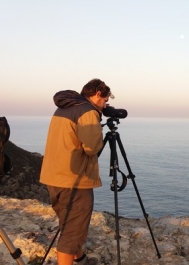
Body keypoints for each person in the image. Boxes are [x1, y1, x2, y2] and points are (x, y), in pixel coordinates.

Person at [40, 79, 114, 265]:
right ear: (98, 94)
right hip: (74, 181)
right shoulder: (87, 112)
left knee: (70, 224)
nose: (105, 105)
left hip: (54, 177)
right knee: (72, 232)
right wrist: (97, 127)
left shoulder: (64, 107)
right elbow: (91, 148)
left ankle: (79, 258)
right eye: (105, 100)